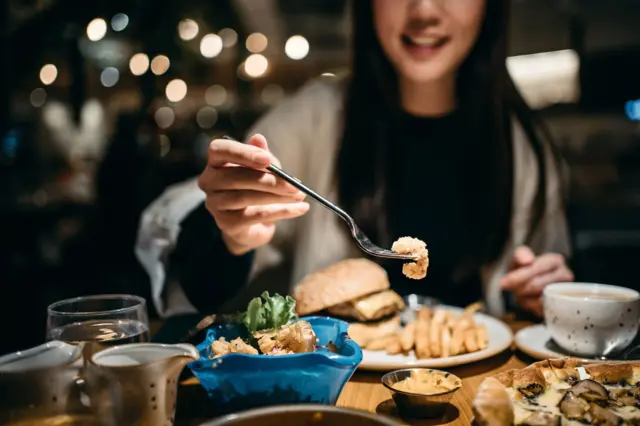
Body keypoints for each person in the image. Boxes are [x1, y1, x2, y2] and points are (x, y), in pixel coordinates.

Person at [136, 0, 574, 320]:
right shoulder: (318, 116)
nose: (423, 11)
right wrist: (230, 236)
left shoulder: (522, 143)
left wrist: (539, 292)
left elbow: (540, 289)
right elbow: (198, 280)